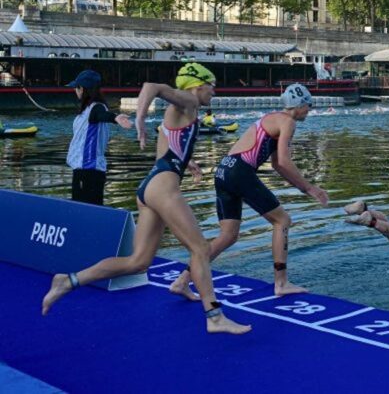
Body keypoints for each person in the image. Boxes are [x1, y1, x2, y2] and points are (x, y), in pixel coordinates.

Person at [42, 62, 250, 335]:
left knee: (138, 262)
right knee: (200, 249)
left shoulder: (181, 111)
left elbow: (168, 149)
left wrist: (188, 163)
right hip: (163, 188)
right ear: (198, 85)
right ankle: (214, 316)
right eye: (212, 86)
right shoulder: (187, 100)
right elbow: (152, 87)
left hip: (151, 185)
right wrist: (139, 118)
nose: (214, 92)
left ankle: (68, 281)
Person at [168, 83, 329, 299]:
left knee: (228, 236)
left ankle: (182, 281)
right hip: (239, 172)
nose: (309, 110)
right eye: (308, 105)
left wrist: (303, 188)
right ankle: (281, 283)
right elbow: (284, 160)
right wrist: (310, 187)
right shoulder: (288, 122)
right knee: (282, 221)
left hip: (223, 170)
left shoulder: (271, 118)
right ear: (299, 105)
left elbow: (277, 165)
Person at [65, 70, 132, 206]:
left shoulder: (96, 108)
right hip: (81, 169)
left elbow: (102, 115)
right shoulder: (86, 110)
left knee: (87, 210)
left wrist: (115, 117)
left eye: (75, 88)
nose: (74, 90)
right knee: (82, 209)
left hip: (89, 170)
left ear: (82, 89)